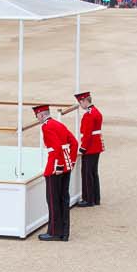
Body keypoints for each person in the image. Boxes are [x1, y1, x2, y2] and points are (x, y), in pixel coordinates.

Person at [34, 103, 78, 242]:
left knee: (53, 201)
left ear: (41, 115)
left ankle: (54, 232)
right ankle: (64, 232)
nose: (38, 119)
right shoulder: (59, 124)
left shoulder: (46, 126)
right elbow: (74, 143)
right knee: (64, 199)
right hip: (66, 165)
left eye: (37, 116)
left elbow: (56, 147)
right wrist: (70, 162)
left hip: (55, 167)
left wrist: (58, 166)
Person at [75, 91, 103, 207]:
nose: (80, 105)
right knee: (93, 172)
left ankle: (89, 198)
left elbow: (87, 134)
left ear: (84, 101)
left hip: (90, 147)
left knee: (87, 173)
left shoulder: (89, 115)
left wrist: (82, 148)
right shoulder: (95, 111)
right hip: (96, 146)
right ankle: (95, 197)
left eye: (80, 102)